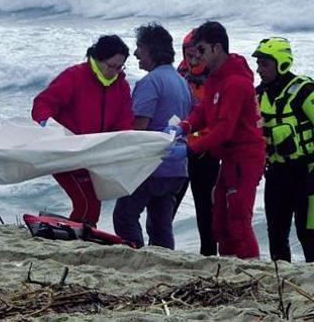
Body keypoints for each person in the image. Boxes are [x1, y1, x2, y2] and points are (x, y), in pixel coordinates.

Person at [166, 21, 265, 259]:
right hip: (228, 158)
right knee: (219, 221)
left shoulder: (236, 83)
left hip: (244, 158)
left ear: (216, 48)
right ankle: (230, 266)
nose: (197, 57)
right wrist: (185, 126)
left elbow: (224, 128)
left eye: (201, 50)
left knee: (238, 221)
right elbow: (204, 111)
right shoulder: (216, 78)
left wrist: (189, 148)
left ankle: (251, 269)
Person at [31, 35, 134, 226]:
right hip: (64, 153)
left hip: (94, 156)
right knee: (87, 202)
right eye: (111, 66)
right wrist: (46, 123)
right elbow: (43, 103)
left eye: (119, 67)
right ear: (98, 58)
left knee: (92, 203)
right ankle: (79, 237)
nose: (114, 72)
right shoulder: (75, 76)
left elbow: (124, 122)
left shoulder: (121, 86)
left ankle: (73, 232)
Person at [113, 23, 192, 249]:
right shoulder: (181, 81)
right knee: (160, 225)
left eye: (139, 48)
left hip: (151, 167)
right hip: (176, 168)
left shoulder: (151, 82)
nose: (136, 53)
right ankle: (163, 261)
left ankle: (134, 255)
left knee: (124, 217)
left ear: (151, 50)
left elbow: (140, 128)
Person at [253, 37, 314, 262]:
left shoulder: (304, 91)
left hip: (307, 174)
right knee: (276, 234)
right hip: (278, 174)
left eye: (264, 64)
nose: (259, 69)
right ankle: (284, 283)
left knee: (308, 234)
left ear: (282, 63)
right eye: (258, 63)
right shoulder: (258, 95)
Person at [174, 29, 220, 256]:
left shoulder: (218, 79)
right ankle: (159, 250)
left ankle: (209, 257)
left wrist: (198, 144)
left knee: (207, 212)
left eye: (197, 55)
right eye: (188, 55)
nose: (193, 60)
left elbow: (222, 121)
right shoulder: (179, 74)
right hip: (180, 152)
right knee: (166, 208)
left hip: (206, 154)